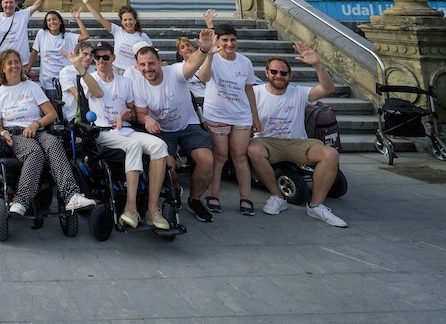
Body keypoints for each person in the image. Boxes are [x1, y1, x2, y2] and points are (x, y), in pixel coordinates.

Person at [248, 44, 348, 227]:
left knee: (331, 154)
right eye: (274, 72)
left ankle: (316, 206)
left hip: (296, 142)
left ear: (289, 76)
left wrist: (318, 65)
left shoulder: (299, 92)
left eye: (283, 73)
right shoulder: (255, 92)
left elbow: (327, 88)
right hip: (267, 142)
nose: (279, 76)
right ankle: (277, 197)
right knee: (253, 149)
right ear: (267, 73)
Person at [0, 49, 96, 217]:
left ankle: (72, 195)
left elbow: (51, 114)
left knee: (53, 143)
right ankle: (21, 201)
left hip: (37, 129)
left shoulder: (32, 87)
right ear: (2, 68)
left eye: (17, 62)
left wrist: (35, 124)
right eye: (9, 63)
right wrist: (4, 134)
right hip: (15, 134)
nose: (14, 66)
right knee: (35, 151)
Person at [79, 41, 171, 230]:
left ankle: (152, 209)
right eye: (97, 57)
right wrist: (79, 68)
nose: (101, 60)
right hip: (102, 132)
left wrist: (122, 115)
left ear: (113, 58)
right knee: (134, 147)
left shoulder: (126, 82)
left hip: (126, 130)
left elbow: (132, 111)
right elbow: (97, 92)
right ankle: (131, 208)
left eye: (105, 57)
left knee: (159, 146)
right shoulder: (88, 78)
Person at [131, 39, 216, 223]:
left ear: (160, 62)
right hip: (162, 131)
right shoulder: (138, 84)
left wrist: (203, 49)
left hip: (188, 125)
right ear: (137, 66)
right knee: (169, 168)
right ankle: (175, 188)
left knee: (207, 160)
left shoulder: (175, 72)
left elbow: (192, 64)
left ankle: (194, 200)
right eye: (143, 65)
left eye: (151, 63)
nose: (148, 68)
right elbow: (140, 113)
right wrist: (147, 119)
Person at [198, 23, 261, 217]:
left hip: (241, 115)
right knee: (220, 156)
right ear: (218, 41)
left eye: (232, 40)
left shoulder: (245, 62)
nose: (229, 44)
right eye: (225, 40)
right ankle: (213, 194)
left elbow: (249, 89)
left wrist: (255, 115)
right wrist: (209, 53)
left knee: (240, 156)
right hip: (217, 115)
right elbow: (203, 77)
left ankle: (246, 197)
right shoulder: (213, 59)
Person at [78, 0, 147, 74]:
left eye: (130, 19)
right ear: (121, 22)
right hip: (115, 70)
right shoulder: (117, 31)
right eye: (125, 20)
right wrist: (87, 3)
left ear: (135, 21)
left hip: (133, 72)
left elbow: (150, 54)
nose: (128, 22)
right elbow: (99, 18)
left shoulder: (142, 37)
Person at [0, 0, 51, 71]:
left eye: (11, 2)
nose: (8, 5)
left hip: (22, 62)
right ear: (2, 4)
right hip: (3, 62)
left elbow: (36, 6)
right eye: (6, 3)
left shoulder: (22, 15)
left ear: (16, 4)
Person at [30, 7, 90, 91]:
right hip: (47, 83)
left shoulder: (68, 37)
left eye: (54, 19)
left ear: (60, 21)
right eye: (49, 20)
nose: (52, 22)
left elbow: (85, 36)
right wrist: (28, 69)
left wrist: (77, 18)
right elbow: (34, 51)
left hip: (65, 83)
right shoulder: (42, 34)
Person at [57, 41, 94, 123]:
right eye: (85, 54)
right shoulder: (66, 71)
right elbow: (77, 95)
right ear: (77, 55)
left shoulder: (93, 72)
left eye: (91, 55)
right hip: (74, 113)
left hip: (93, 112)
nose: (88, 58)